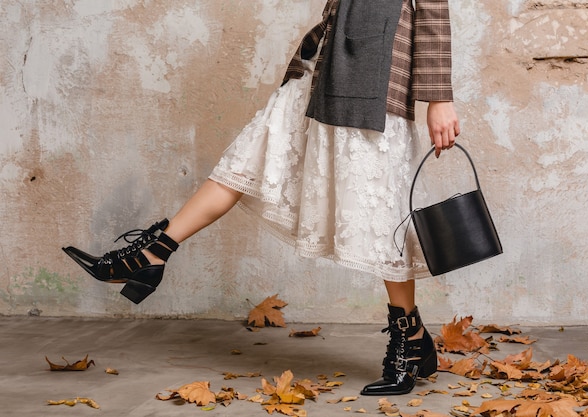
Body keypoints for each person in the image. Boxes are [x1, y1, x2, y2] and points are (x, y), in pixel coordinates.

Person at [63, 0, 460, 396]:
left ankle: (411, 339)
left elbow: (431, 6)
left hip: (377, 69)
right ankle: (152, 253)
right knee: (249, 158)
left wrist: (439, 97)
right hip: (326, 61)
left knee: (382, 208)